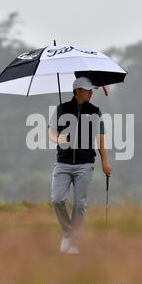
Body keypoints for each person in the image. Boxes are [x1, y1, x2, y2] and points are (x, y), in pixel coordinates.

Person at [48, 77, 112, 254]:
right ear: (77, 91)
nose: (91, 92)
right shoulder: (61, 109)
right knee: (57, 200)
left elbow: (101, 141)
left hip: (85, 165)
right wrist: (58, 139)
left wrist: (105, 163)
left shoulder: (95, 111)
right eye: (87, 90)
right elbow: (51, 133)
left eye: (91, 90)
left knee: (79, 204)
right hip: (63, 163)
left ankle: (74, 242)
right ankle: (69, 234)